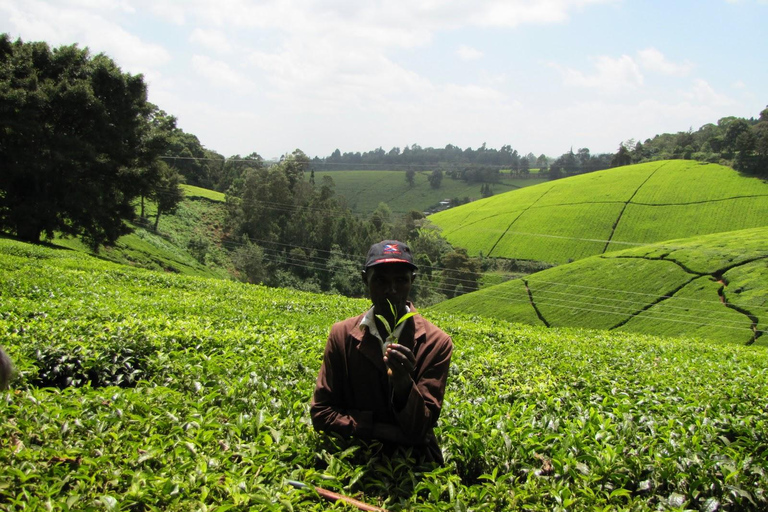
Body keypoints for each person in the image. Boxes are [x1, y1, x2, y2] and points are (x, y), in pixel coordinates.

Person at [311, 240, 453, 464]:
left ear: (412, 281)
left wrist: (404, 383)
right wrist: (386, 431)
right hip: (351, 459)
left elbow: (421, 428)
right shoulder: (341, 335)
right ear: (364, 279)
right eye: (380, 280)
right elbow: (321, 413)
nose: (391, 290)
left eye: (400, 280)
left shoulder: (436, 343)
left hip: (414, 467)